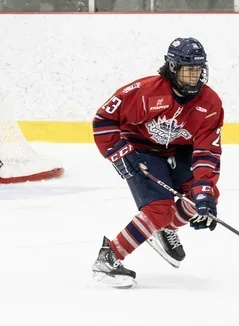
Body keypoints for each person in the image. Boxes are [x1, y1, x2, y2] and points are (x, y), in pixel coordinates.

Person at [91, 37, 224, 289]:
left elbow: (207, 149)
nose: (194, 76)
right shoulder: (144, 91)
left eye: (198, 69)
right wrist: (119, 151)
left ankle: (164, 229)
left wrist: (204, 188)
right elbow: (103, 120)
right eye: (188, 70)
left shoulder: (210, 103)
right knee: (159, 210)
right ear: (172, 68)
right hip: (140, 149)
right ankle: (109, 258)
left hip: (180, 151)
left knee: (203, 195)